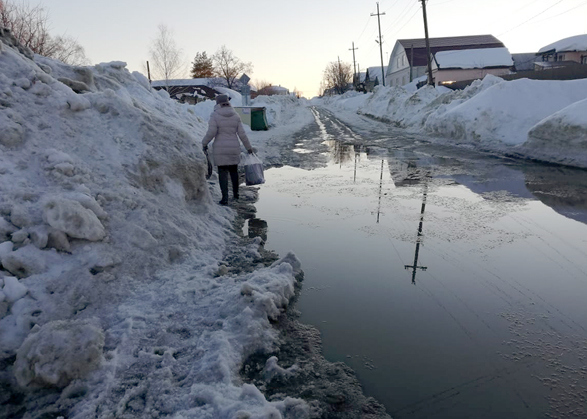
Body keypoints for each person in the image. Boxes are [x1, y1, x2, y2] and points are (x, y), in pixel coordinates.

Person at [202, 94, 253, 205]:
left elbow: (211, 133)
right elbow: (242, 134)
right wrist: (249, 148)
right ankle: (236, 194)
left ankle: (225, 198)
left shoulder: (215, 115)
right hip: (234, 148)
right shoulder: (235, 115)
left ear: (217, 103)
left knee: (223, 172)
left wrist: (204, 143)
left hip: (220, 149)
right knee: (234, 171)